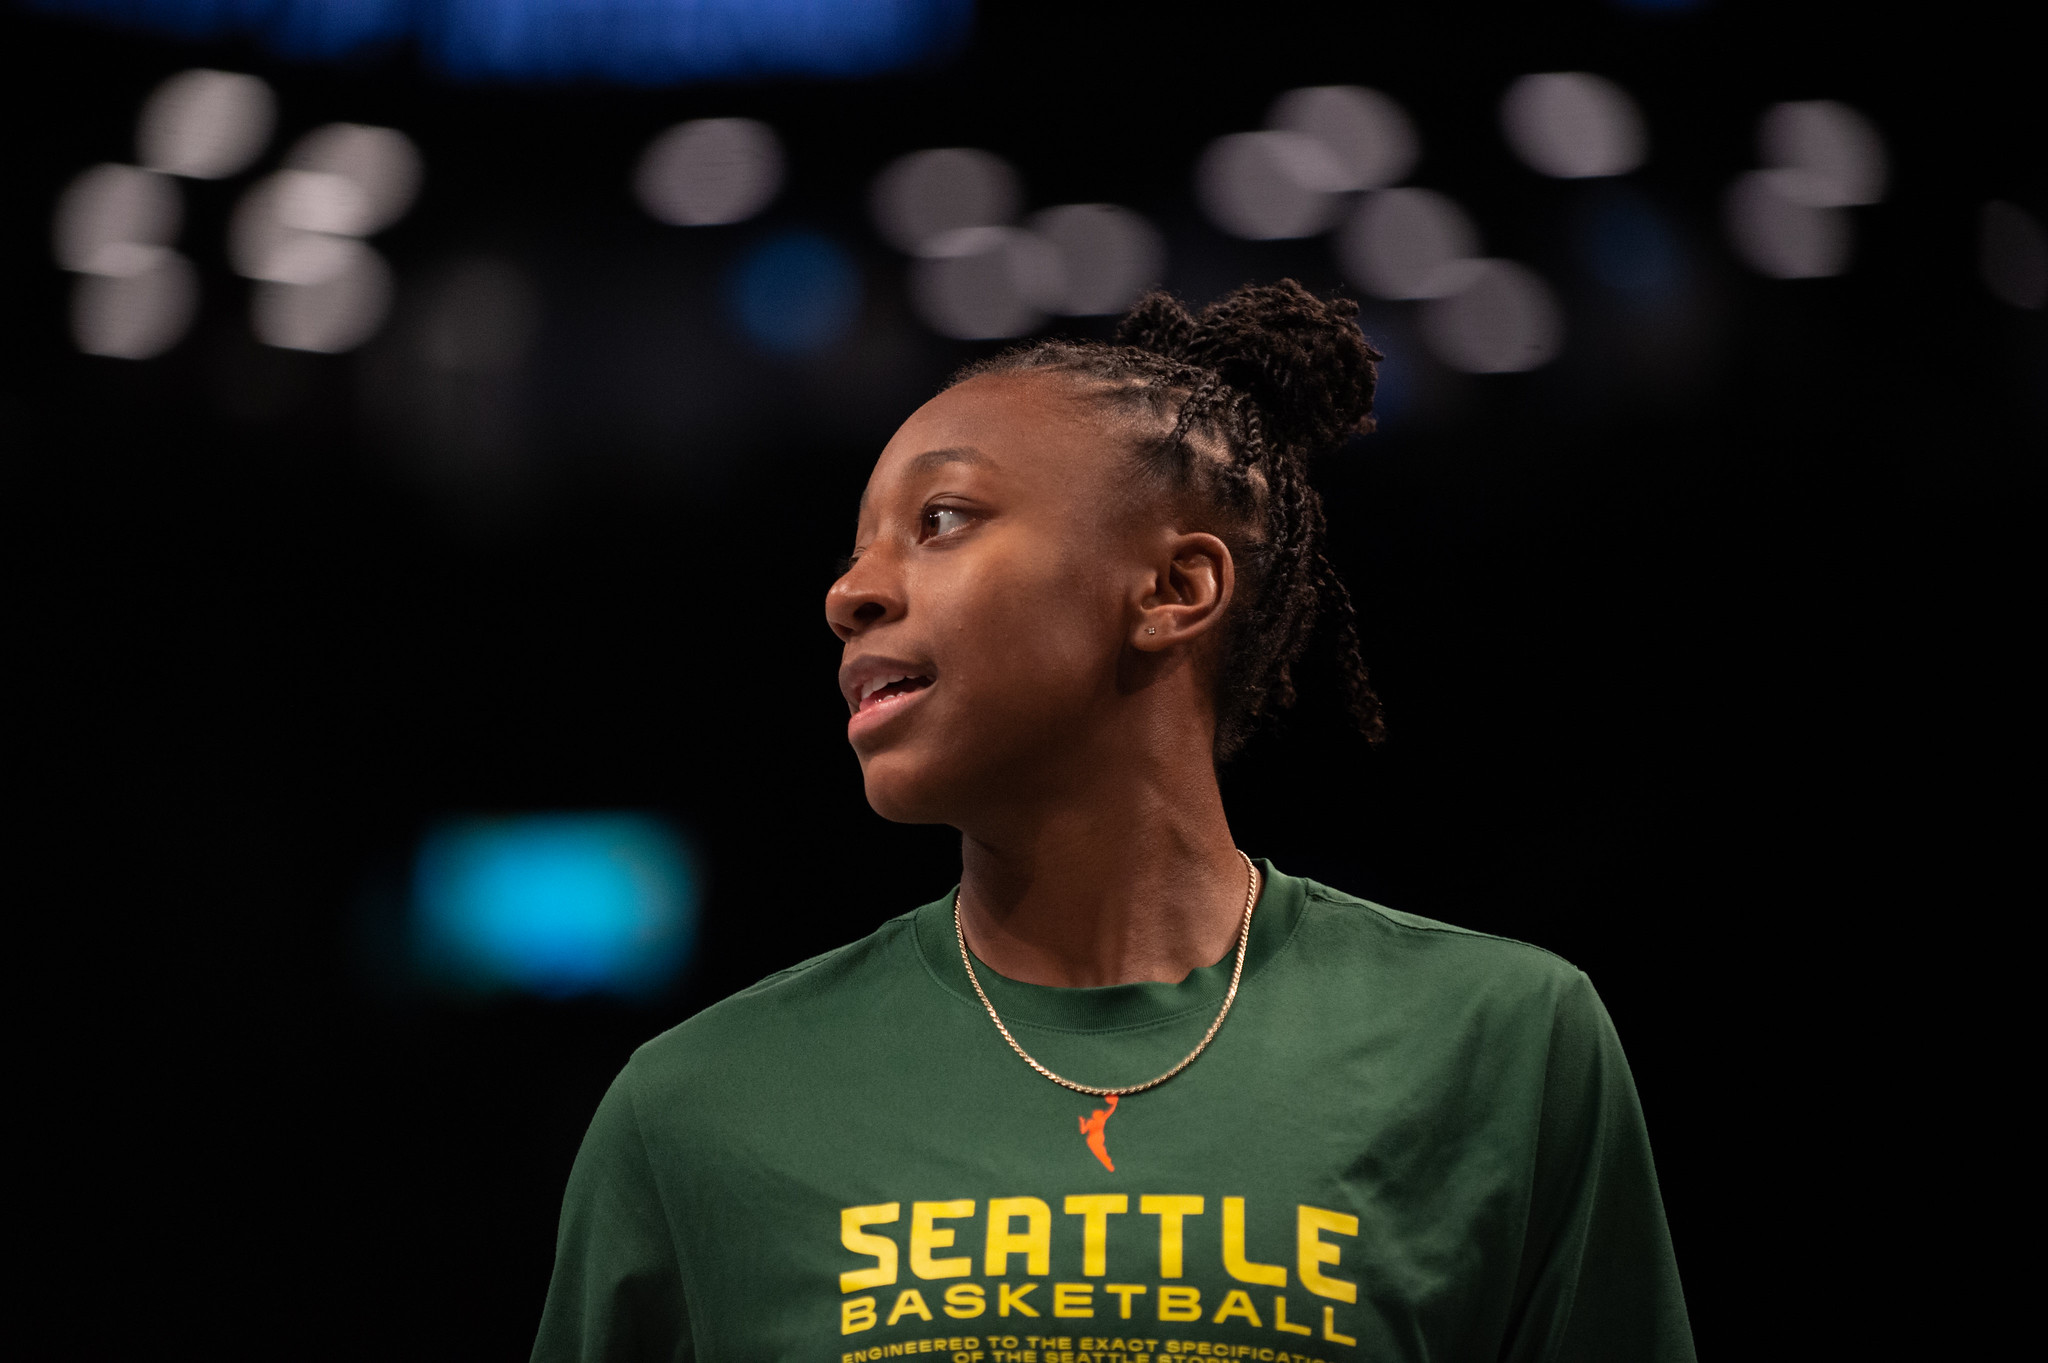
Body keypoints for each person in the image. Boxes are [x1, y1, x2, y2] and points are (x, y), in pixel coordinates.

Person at [531, 281, 1695, 1363]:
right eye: (856, 549)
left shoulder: (1502, 1044)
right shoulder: (697, 1108)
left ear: (1173, 589)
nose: (851, 592)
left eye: (939, 519)